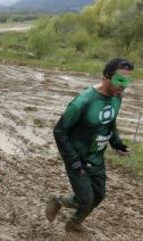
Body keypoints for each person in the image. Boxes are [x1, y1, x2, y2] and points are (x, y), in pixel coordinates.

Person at [45, 58, 134, 232]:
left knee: (99, 196)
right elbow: (59, 131)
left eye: (127, 81)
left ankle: (74, 223)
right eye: (119, 80)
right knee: (85, 199)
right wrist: (73, 160)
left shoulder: (117, 98)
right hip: (77, 157)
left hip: (97, 157)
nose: (123, 86)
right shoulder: (83, 102)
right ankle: (58, 200)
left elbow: (109, 122)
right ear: (106, 77)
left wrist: (117, 143)